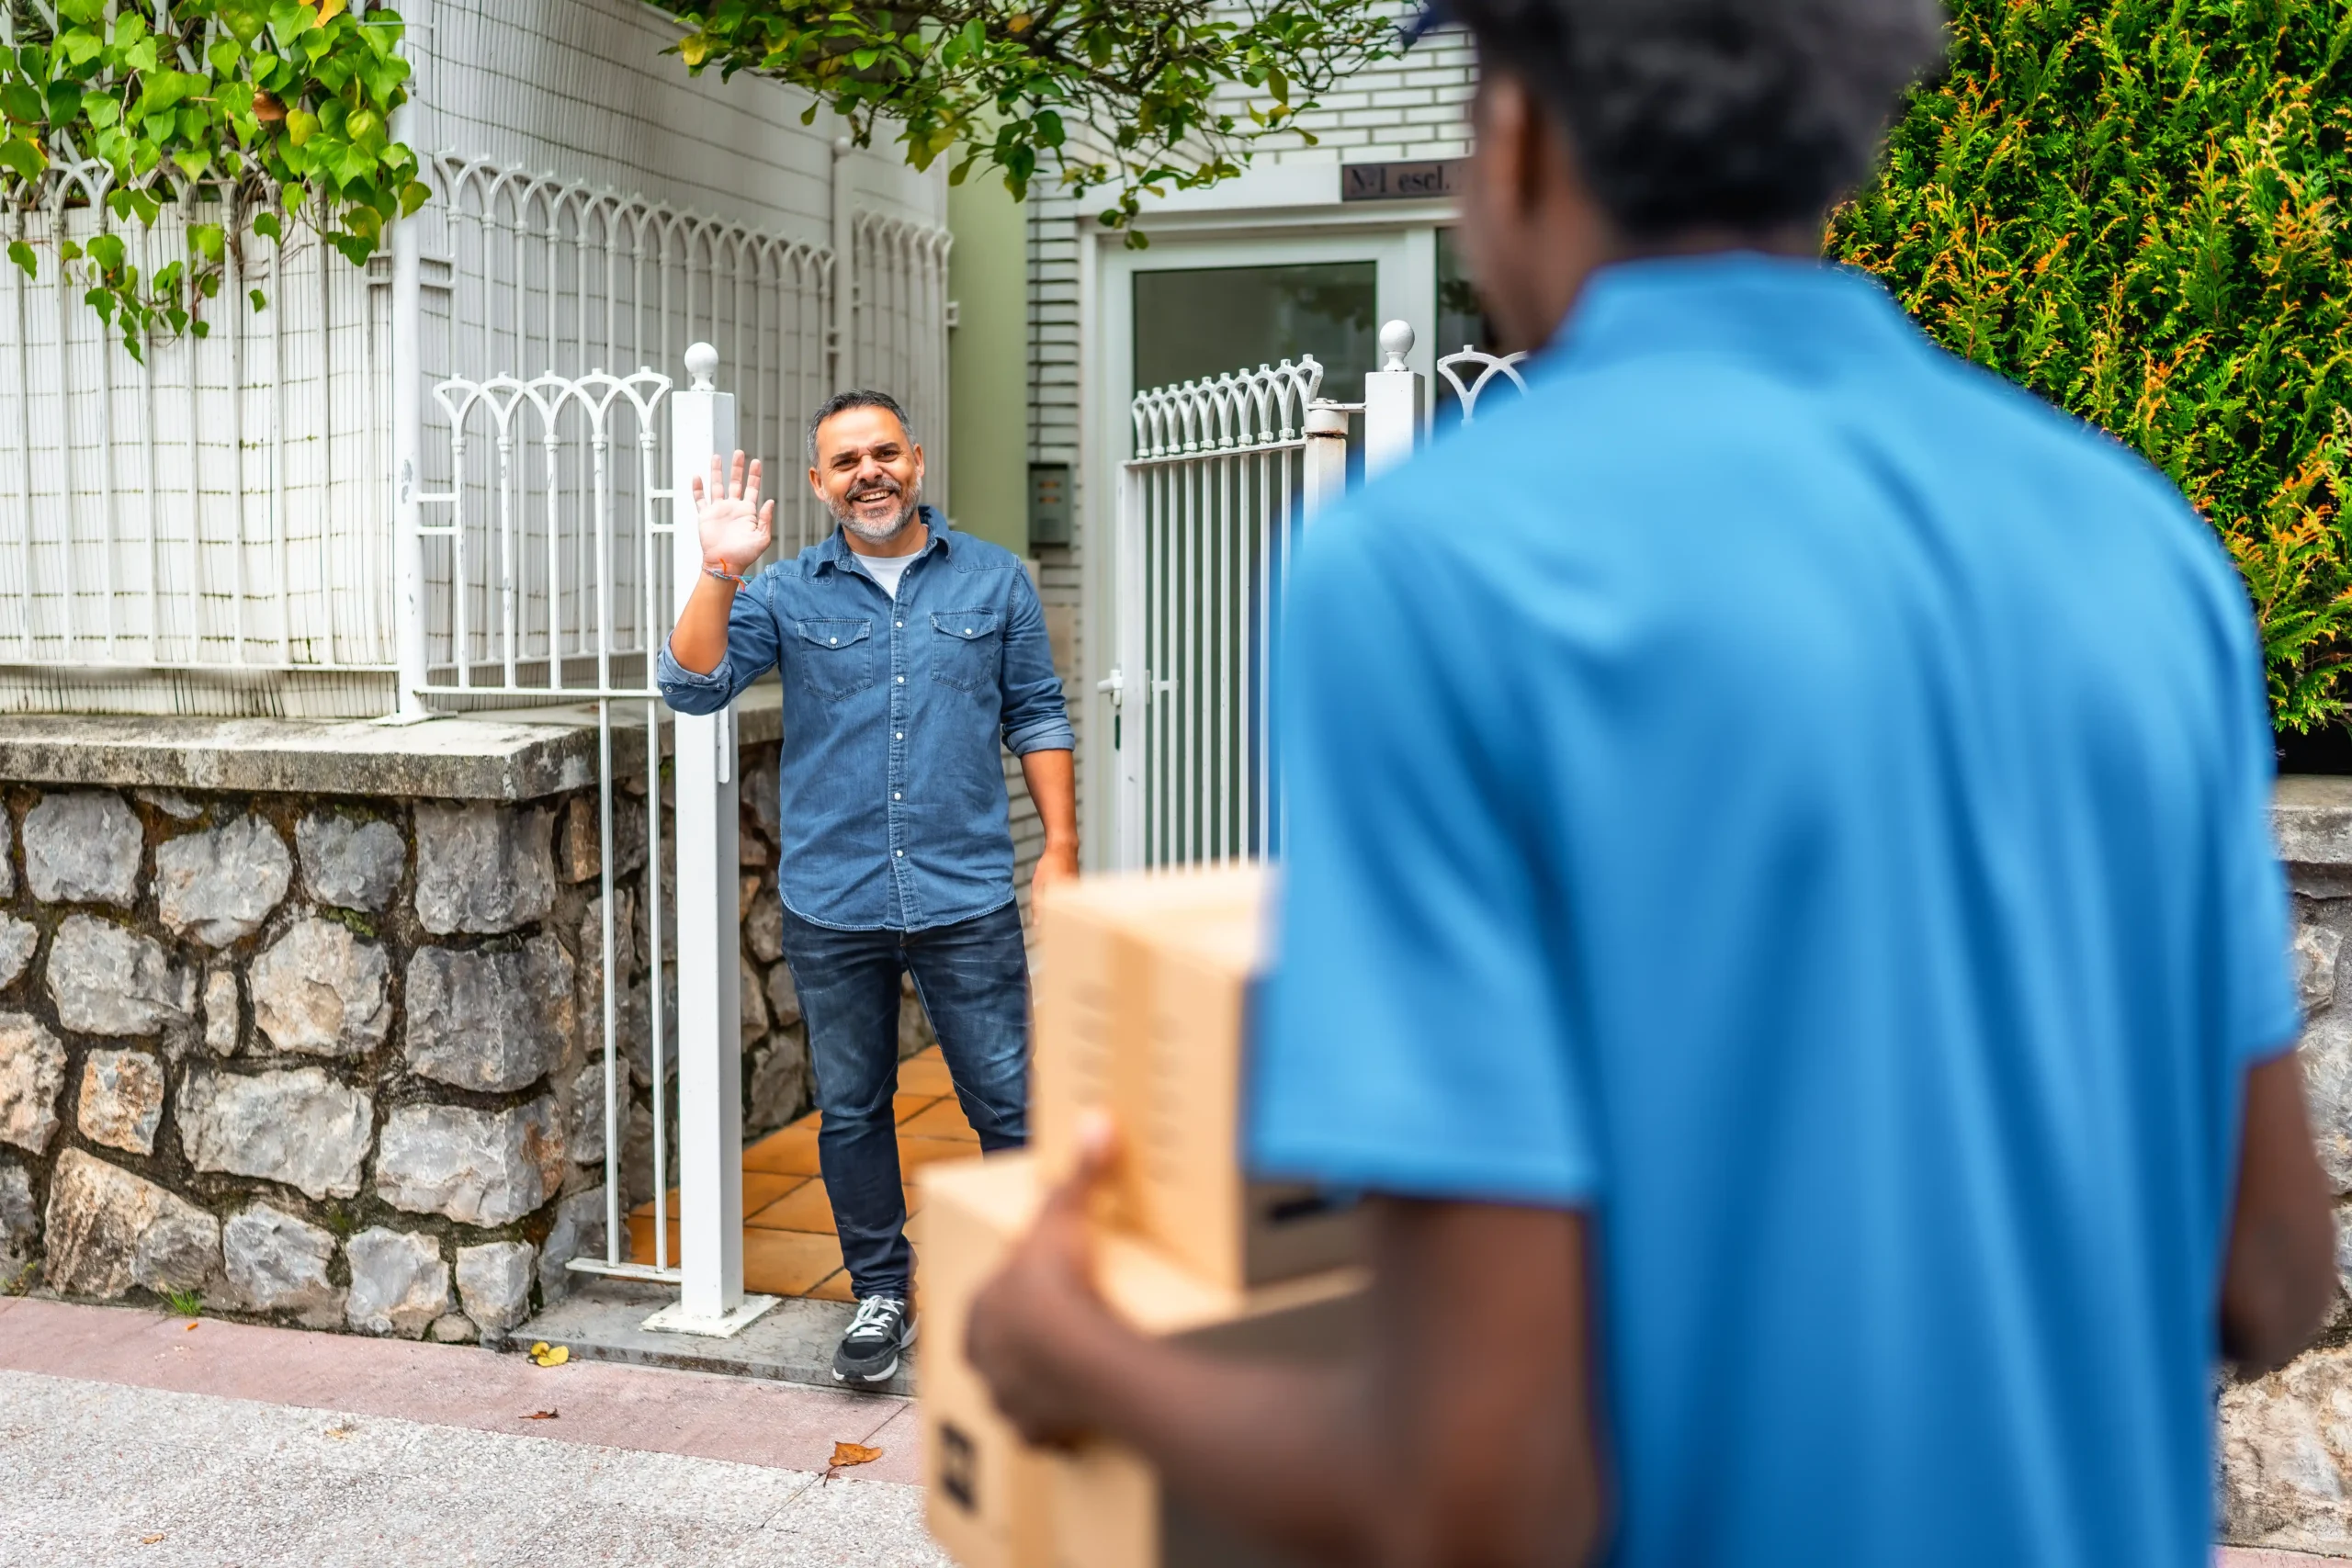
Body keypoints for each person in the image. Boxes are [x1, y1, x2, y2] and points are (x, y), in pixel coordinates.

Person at [965, 1, 2340, 1563]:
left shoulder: (1437, 566)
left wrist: (1067, 1352)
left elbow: (1481, 1495)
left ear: (1520, 133)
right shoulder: (2138, 546)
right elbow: (2274, 1273)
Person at [661, 389, 1077, 1386]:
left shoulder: (994, 582)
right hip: (832, 899)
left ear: (917, 460)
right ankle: (881, 1295)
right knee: (852, 1108)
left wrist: (1059, 846)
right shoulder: (785, 592)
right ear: (818, 484)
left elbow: (1038, 712)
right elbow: (690, 685)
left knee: (1008, 1104)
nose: (868, 474)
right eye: (845, 463)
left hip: (963, 892)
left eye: (882, 453)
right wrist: (721, 570)